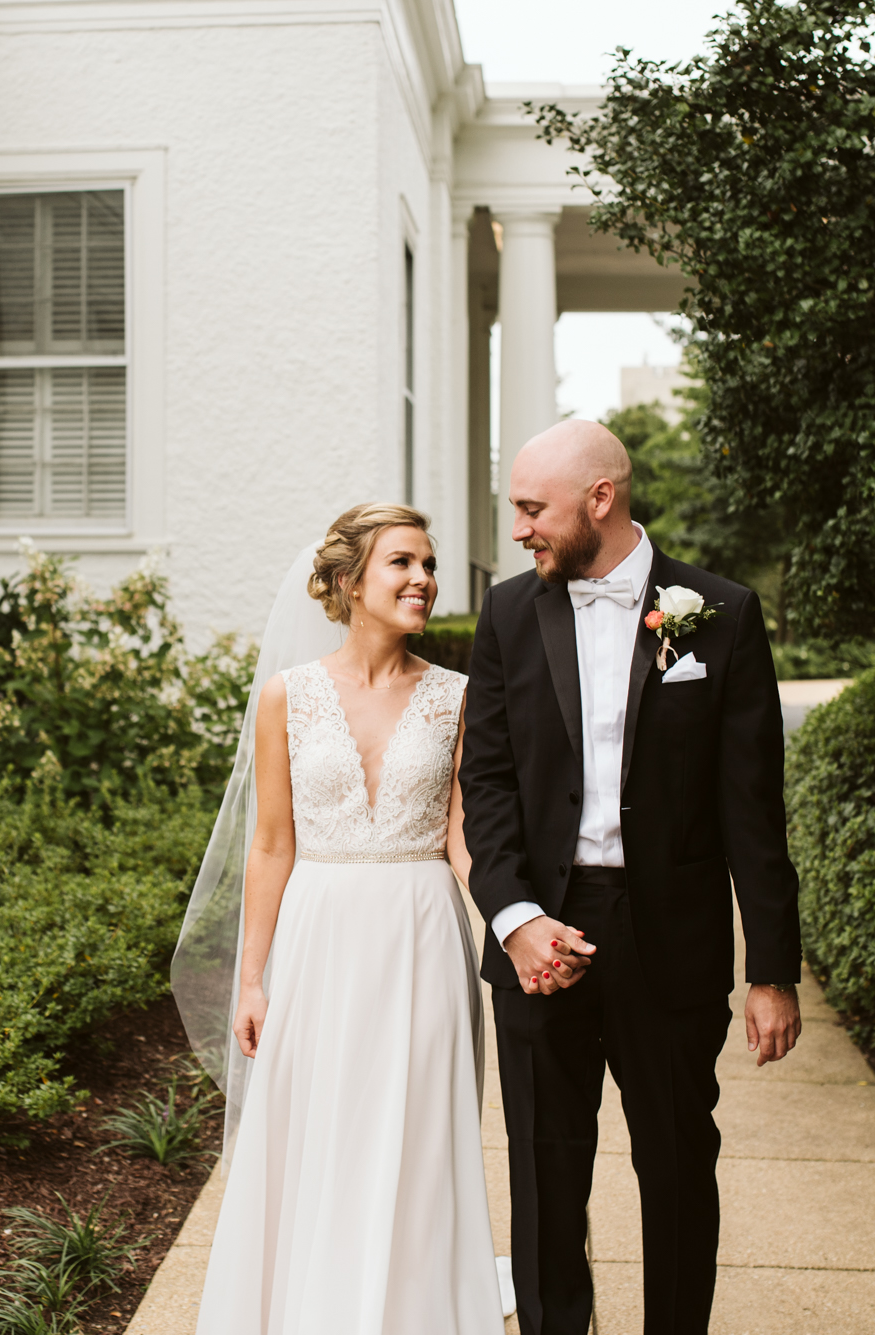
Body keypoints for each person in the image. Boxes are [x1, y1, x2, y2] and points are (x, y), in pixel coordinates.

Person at [460, 419, 804, 1335]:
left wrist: (770, 968)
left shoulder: (720, 611)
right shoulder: (504, 614)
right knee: (544, 1171)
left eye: (534, 508)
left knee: (680, 1164)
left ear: (599, 500)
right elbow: (484, 786)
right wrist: (515, 916)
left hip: (671, 940)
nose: (522, 527)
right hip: (542, 933)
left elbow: (752, 806)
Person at [175, 503, 506, 1335]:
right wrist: (252, 978)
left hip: (423, 935)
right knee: (319, 1134)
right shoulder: (287, 697)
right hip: (318, 940)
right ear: (351, 581)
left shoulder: (459, 696)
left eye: (428, 564)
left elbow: (467, 838)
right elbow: (272, 845)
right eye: (403, 562)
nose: (424, 579)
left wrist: (511, 925)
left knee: (417, 1142)